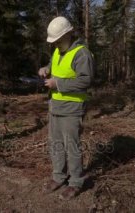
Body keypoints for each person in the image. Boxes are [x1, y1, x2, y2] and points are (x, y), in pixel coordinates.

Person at [38, 16, 94, 200]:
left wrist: (58, 83)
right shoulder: (57, 51)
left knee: (72, 146)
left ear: (68, 34)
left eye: (58, 40)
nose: (55, 44)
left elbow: (85, 80)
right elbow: (54, 66)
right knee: (56, 145)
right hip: (55, 107)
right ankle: (58, 177)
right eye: (53, 41)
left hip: (72, 108)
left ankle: (76, 182)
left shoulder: (81, 53)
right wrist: (46, 69)